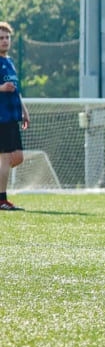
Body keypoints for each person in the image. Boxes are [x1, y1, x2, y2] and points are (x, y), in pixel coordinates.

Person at [0, 22, 30, 212]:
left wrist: (24, 110)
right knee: (4, 159)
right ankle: (2, 200)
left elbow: (16, 91)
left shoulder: (9, 62)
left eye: (6, 37)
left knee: (17, 157)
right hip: (0, 118)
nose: (4, 41)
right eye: (1, 38)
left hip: (12, 116)